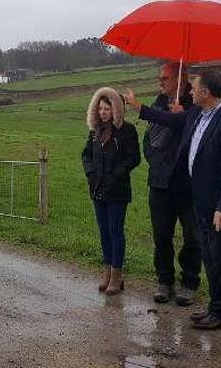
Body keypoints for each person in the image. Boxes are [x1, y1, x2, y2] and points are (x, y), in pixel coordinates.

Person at [126, 70, 221, 329]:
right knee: (208, 254)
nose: (189, 91)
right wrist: (139, 107)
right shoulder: (198, 113)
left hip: (211, 200)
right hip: (188, 192)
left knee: (217, 255)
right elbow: (167, 120)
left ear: (205, 92)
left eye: (194, 87)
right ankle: (216, 308)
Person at [140, 63, 201, 306]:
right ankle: (164, 280)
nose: (160, 82)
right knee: (161, 235)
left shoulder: (196, 104)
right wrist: (154, 160)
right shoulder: (157, 103)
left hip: (188, 184)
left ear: (181, 79)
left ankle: (189, 282)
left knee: (192, 236)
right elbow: (148, 139)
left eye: (164, 78)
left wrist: (181, 116)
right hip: (160, 183)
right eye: (159, 78)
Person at [82, 87, 141, 295]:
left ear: (116, 109)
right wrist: (92, 173)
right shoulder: (94, 132)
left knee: (116, 231)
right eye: (100, 109)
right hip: (98, 188)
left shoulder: (127, 131)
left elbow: (133, 158)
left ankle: (117, 275)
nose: (103, 112)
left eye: (107, 109)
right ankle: (106, 271)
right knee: (104, 232)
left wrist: (115, 175)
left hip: (117, 190)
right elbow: (86, 156)